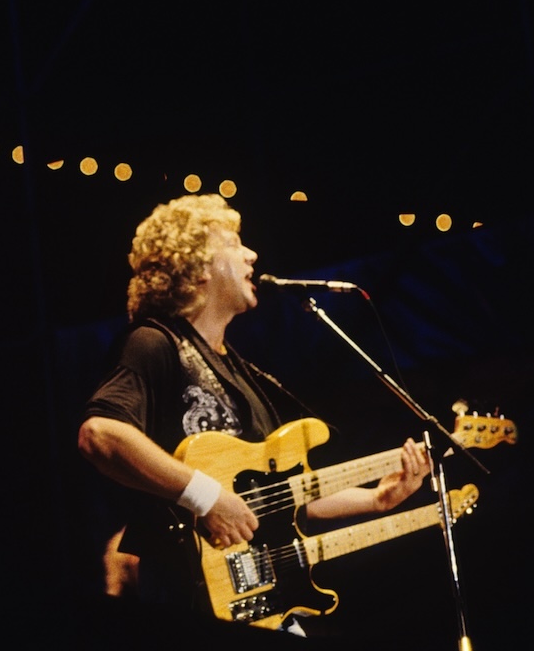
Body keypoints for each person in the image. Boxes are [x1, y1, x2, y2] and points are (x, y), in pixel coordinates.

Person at [76, 194, 430, 647]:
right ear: (199, 265)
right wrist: (207, 497)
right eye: (234, 243)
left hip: (260, 603)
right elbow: (100, 434)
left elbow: (280, 496)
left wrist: (378, 498)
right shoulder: (153, 343)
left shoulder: (246, 378)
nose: (252, 255)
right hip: (187, 599)